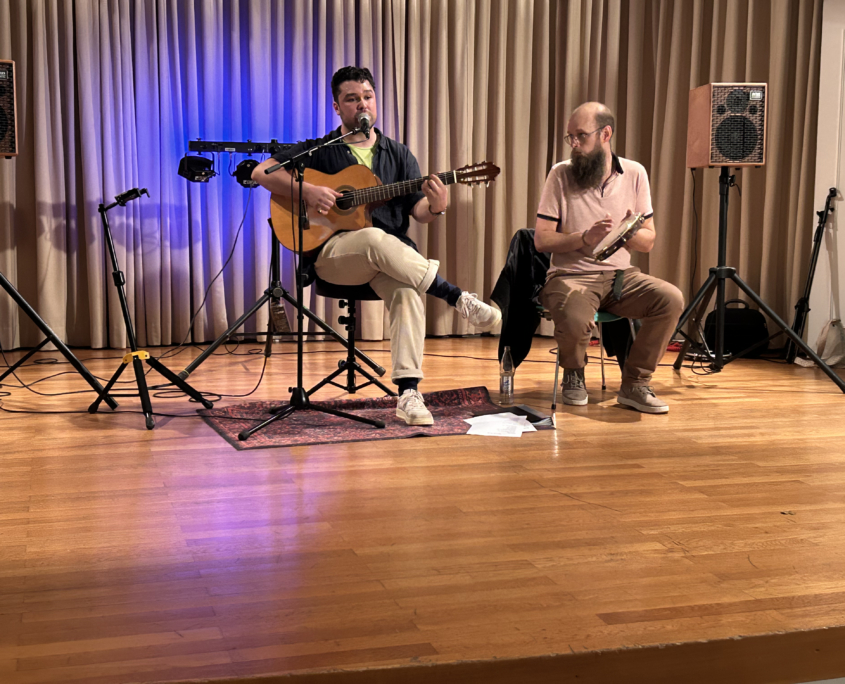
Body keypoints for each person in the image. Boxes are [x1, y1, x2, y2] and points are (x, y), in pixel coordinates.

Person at [253, 66, 500, 426]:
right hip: (332, 256)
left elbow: (418, 211)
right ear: (337, 107)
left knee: (406, 289)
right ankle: (456, 296)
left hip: (389, 258)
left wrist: (437, 206)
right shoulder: (321, 150)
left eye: (368, 96)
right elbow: (261, 173)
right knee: (371, 238)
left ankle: (408, 393)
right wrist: (308, 191)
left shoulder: (397, 154)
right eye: (352, 99)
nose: (362, 104)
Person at [534, 102, 684, 414]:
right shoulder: (560, 174)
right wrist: (583, 238)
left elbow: (648, 241)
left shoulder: (635, 172)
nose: (574, 144)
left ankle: (635, 384)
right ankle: (574, 373)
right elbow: (541, 239)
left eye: (581, 135)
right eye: (570, 137)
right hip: (570, 276)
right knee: (575, 316)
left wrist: (627, 232)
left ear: (605, 134)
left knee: (670, 299)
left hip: (620, 278)